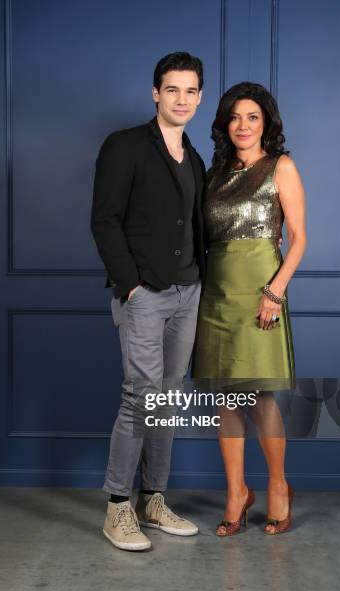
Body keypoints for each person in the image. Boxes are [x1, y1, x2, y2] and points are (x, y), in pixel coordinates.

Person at [91, 52, 206, 551]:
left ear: (199, 98)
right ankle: (118, 506)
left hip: (189, 292)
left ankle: (152, 499)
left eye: (191, 91)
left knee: (168, 399)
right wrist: (131, 285)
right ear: (156, 93)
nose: (181, 99)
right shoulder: (125, 146)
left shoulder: (196, 158)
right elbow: (105, 219)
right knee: (140, 398)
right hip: (145, 294)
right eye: (172, 89)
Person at [192, 82, 306, 536]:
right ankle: (237, 492)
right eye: (235, 117)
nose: (243, 125)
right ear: (224, 124)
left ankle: (278, 485)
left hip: (262, 288)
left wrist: (274, 291)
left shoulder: (282, 166)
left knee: (260, 395)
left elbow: (298, 240)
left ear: (266, 123)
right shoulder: (213, 175)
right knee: (226, 398)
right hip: (216, 293)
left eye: (253, 117)